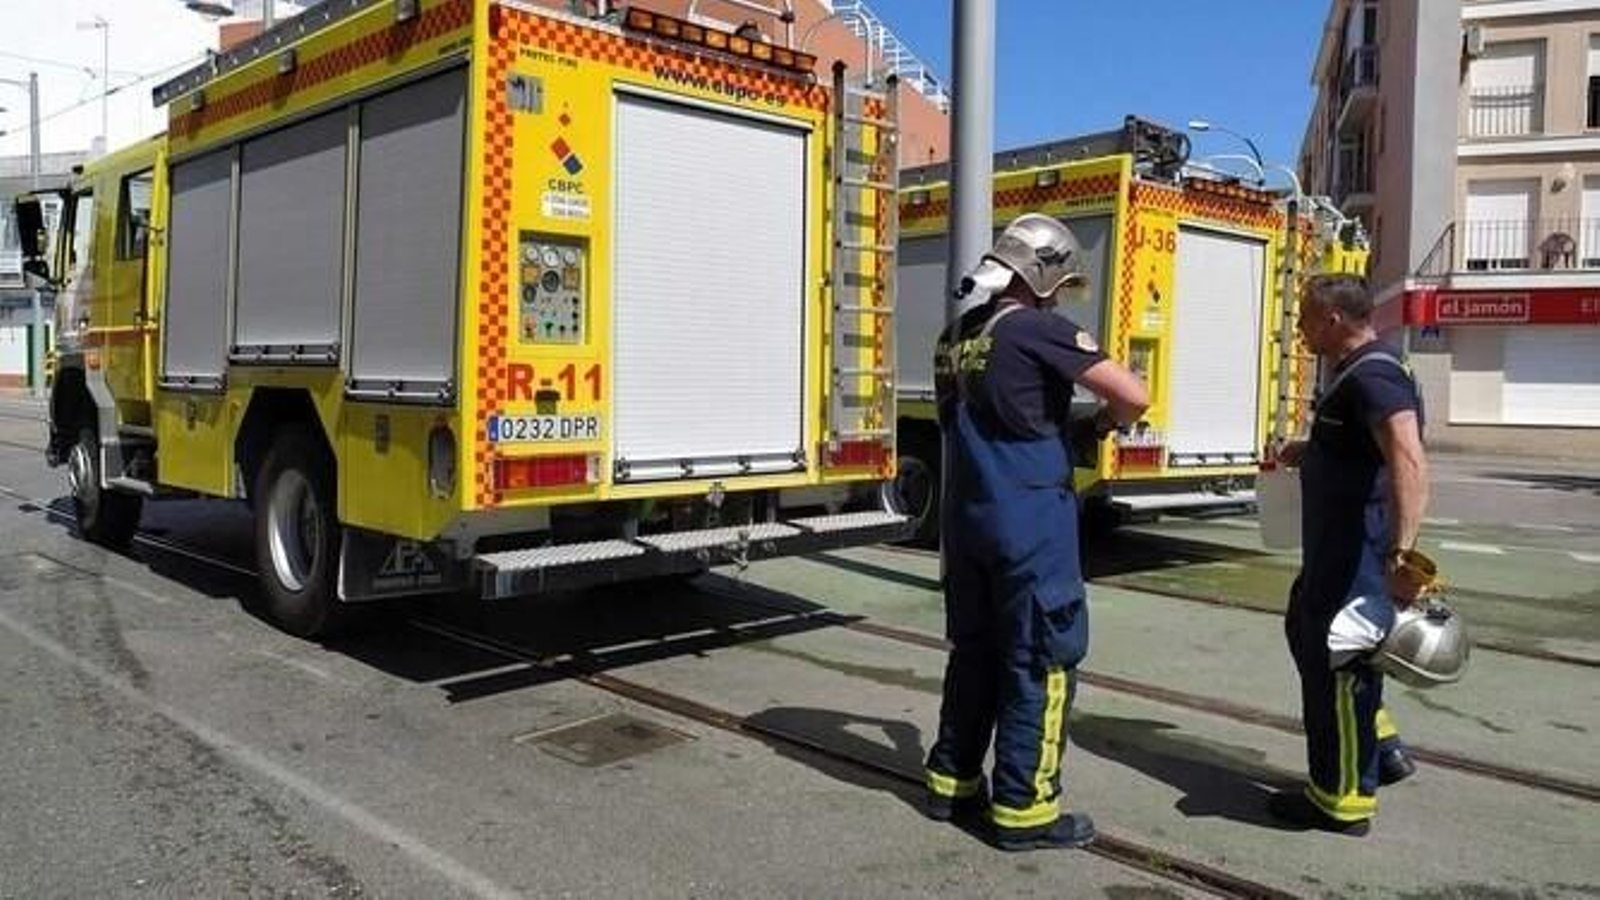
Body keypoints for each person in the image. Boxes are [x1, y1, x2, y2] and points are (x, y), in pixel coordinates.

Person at [923, 214, 1149, 851]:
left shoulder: (953, 337)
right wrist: (1103, 421)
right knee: (1041, 660)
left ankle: (952, 781)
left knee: (975, 653)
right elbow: (1132, 396)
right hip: (1029, 526)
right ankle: (1025, 809)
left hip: (967, 521)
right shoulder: (1037, 328)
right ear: (1045, 276)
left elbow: (993, 417)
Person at [1270, 274, 1430, 835]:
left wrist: (1402, 554)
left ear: (1333, 320)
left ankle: (1340, 801)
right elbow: (1361, 450)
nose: (1301, 328)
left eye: (1306, 318)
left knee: (1339, 667)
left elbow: (1407, 458)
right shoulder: (1359, 371)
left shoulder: (1375, 377)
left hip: (1355, 558)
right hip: (1335, 555)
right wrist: (1310, 450)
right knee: (1305, 629)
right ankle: (1380, 748)